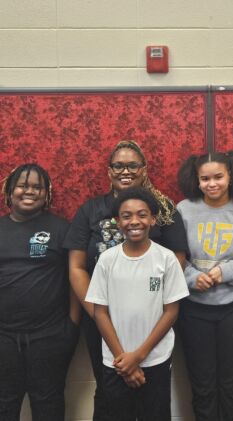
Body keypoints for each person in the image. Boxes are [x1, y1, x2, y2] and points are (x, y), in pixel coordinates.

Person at [63, 139, 188, 421]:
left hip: (152, 320)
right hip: (101, 318)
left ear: (144, 169)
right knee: (109, 392)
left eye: (133, 165)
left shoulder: (163, 208)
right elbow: (77, 267)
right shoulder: (90, 210)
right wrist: (99, 314)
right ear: (109, 171)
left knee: (153, 398)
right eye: (118, 165)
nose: (125, 171)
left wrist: (154, 305)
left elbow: (177, 259)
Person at [85, 188, 189, 421]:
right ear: (117, 221)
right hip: (116, 361)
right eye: (126, 216)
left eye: (142, 215)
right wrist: (124, 361)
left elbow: (171, 312)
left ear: (153, 219)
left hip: (155, 359)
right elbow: (100, 313)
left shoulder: (166, 259)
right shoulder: (107, 260)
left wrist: (138, 357)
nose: (134, 221)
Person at [177, 150, 233, 421]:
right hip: (194, 308)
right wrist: (192, 277)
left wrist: (224, 272)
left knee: (231, 387)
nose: (211, 184)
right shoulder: (183, 210)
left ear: (231, 176)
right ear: (196, 180)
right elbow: (172, 258)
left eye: (218, 177)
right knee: (202, 387)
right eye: (205, 179)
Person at [0, 163, 79, 421]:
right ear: (9, 192)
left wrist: (72, 325)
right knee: (4, 403)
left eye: (37, 187)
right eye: (22, 186)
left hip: (50, 336)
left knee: (48, 404)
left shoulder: (61, 229)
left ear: (47, 194)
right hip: (4, 338)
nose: (30, 191)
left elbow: (75, 277)